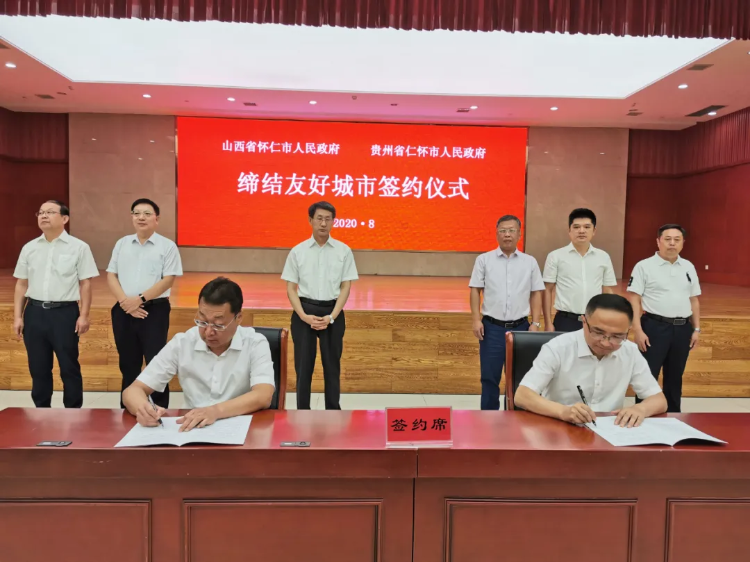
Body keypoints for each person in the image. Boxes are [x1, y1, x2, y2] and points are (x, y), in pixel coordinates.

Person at [123, 277, 276, 431]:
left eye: (218, 325)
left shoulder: (255, 343)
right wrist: (143, 409)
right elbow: (132, 391)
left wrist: (215, 411)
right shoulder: (183, 343)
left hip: (240, 428)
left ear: (238, 318)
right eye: (202, 322)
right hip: (192, 429)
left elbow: (263, 395)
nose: (208, 332)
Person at [515, 294, 667, 427]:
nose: (606, 343)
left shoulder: (630, 351)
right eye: (598, 332)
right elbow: (522, 395)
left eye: (617, 336)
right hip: (559, 428)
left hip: (611, 431)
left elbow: (659, 400)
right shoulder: (558, 348)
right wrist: (564, 411)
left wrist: (640, 409)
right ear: (584, 321)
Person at [12, 200, 99, 408]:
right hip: (34, 312)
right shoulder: (29, 248)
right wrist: (17, 316)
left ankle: (73, 411)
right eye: (41, 212)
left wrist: (84, 315)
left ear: (64, 218)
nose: (44, 216)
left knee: (69, 366)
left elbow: (85, 283)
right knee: (38, 367)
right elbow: (21, 283)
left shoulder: (79, 247)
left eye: (50, 212)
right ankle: (42, 411)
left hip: (64, 314)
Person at [282, 201, 358, 410]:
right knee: (303, 368)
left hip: (332, 313)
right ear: (310, 220)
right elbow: (291, 288)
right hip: (304, 312)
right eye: (319, 219)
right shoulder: (298, 251)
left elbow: (346, 286)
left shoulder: (343, 251)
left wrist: (332, 316)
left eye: (328, 219)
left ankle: (333, 411)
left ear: (333, 221)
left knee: (332, 367)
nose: (323, 223)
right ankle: (302, 412)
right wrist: (303, 316)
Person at [107, 198, 183, 409]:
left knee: (156, 362)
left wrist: (139, 300)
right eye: (136, 213)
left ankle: (159, 409)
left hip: (154, 310)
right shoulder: (122, 243)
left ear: (156, 219)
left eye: (147, 214)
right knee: (127, 363)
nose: (141, 217)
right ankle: (129, 408)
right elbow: (111, 275)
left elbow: (168, 280)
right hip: (123, 310)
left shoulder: (167, 246)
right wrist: (126, 303)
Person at [470, 214, 544, 411]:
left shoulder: (530, 262)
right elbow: (475, 290)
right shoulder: (484, 260)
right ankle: (488, 419)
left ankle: (516, 420)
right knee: (489, 378)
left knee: (519, 379)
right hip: (492, 328)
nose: (507, 235)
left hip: (521, 329)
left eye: (511, 230)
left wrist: (535, 323)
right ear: (497, 234)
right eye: (503, 231)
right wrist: (476, 320)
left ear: (519, 234)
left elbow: (536, 293)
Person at [627, 224, 701, 413]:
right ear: (658, 241)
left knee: (675, 376)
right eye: (667, 239)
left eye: (677, 239)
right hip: (654, 327)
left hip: (682, 329)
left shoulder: (688, 266)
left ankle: (674, 416)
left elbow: (693, 299)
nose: (672, 243)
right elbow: (634, 299)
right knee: (647, 376)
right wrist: (638, 330)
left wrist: (696, 329)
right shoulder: (644, 266)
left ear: (683, 243)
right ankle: (642, 415)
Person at [542, 208, 617, 332]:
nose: (581, 231)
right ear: (569, 231)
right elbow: (547, 290)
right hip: (565, 320)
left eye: (587, 227)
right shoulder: (555, 256)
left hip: (594, 320)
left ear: (594, 231)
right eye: (576, 227)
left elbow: (607, 290)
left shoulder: (603, 257)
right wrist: (548, 323)